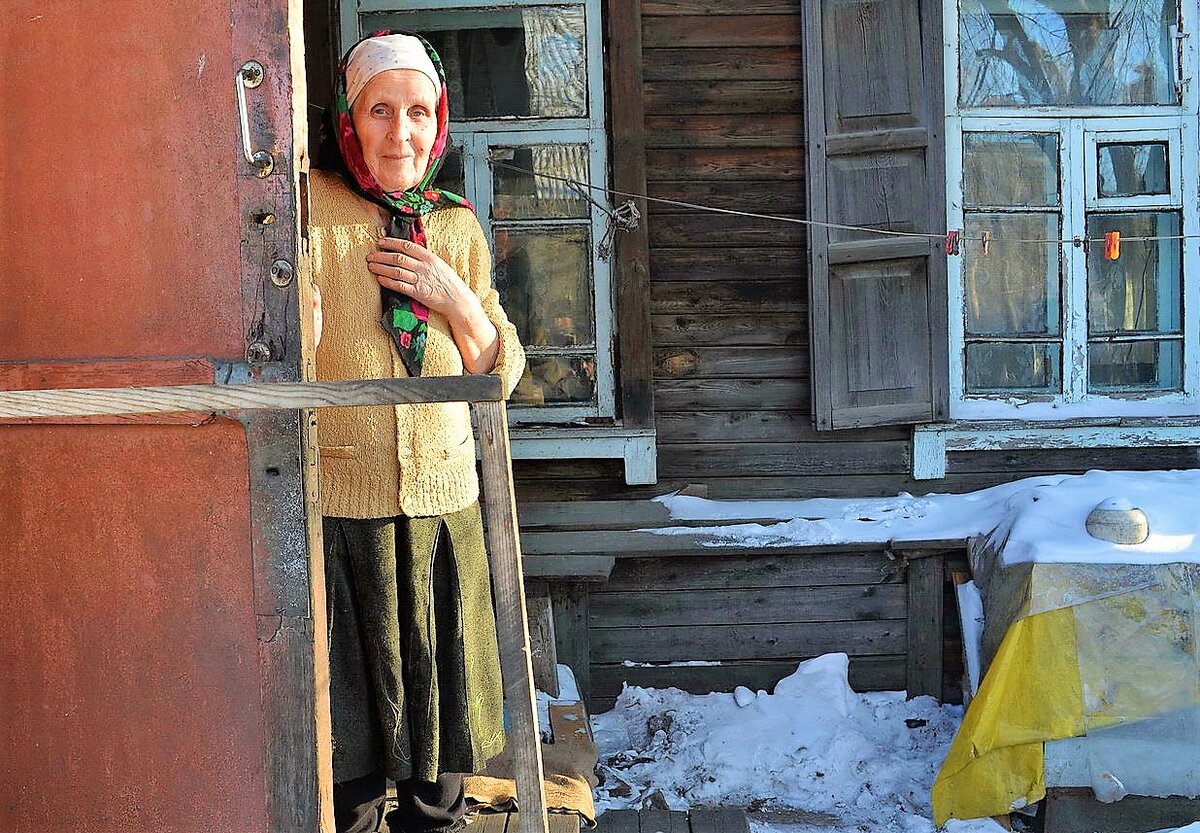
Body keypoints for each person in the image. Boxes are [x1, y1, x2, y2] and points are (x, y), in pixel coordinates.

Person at [308, 31, 525, 833]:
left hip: (443, 503)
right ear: (349, 122)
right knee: (354, 745)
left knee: (441, 752)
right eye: (380, 111)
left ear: (439, 126)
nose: (400, 132)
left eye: (419, 112)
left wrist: (454, 298)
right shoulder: (309, 210)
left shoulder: (456, 227)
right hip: (344, 505)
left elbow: (499, 376)